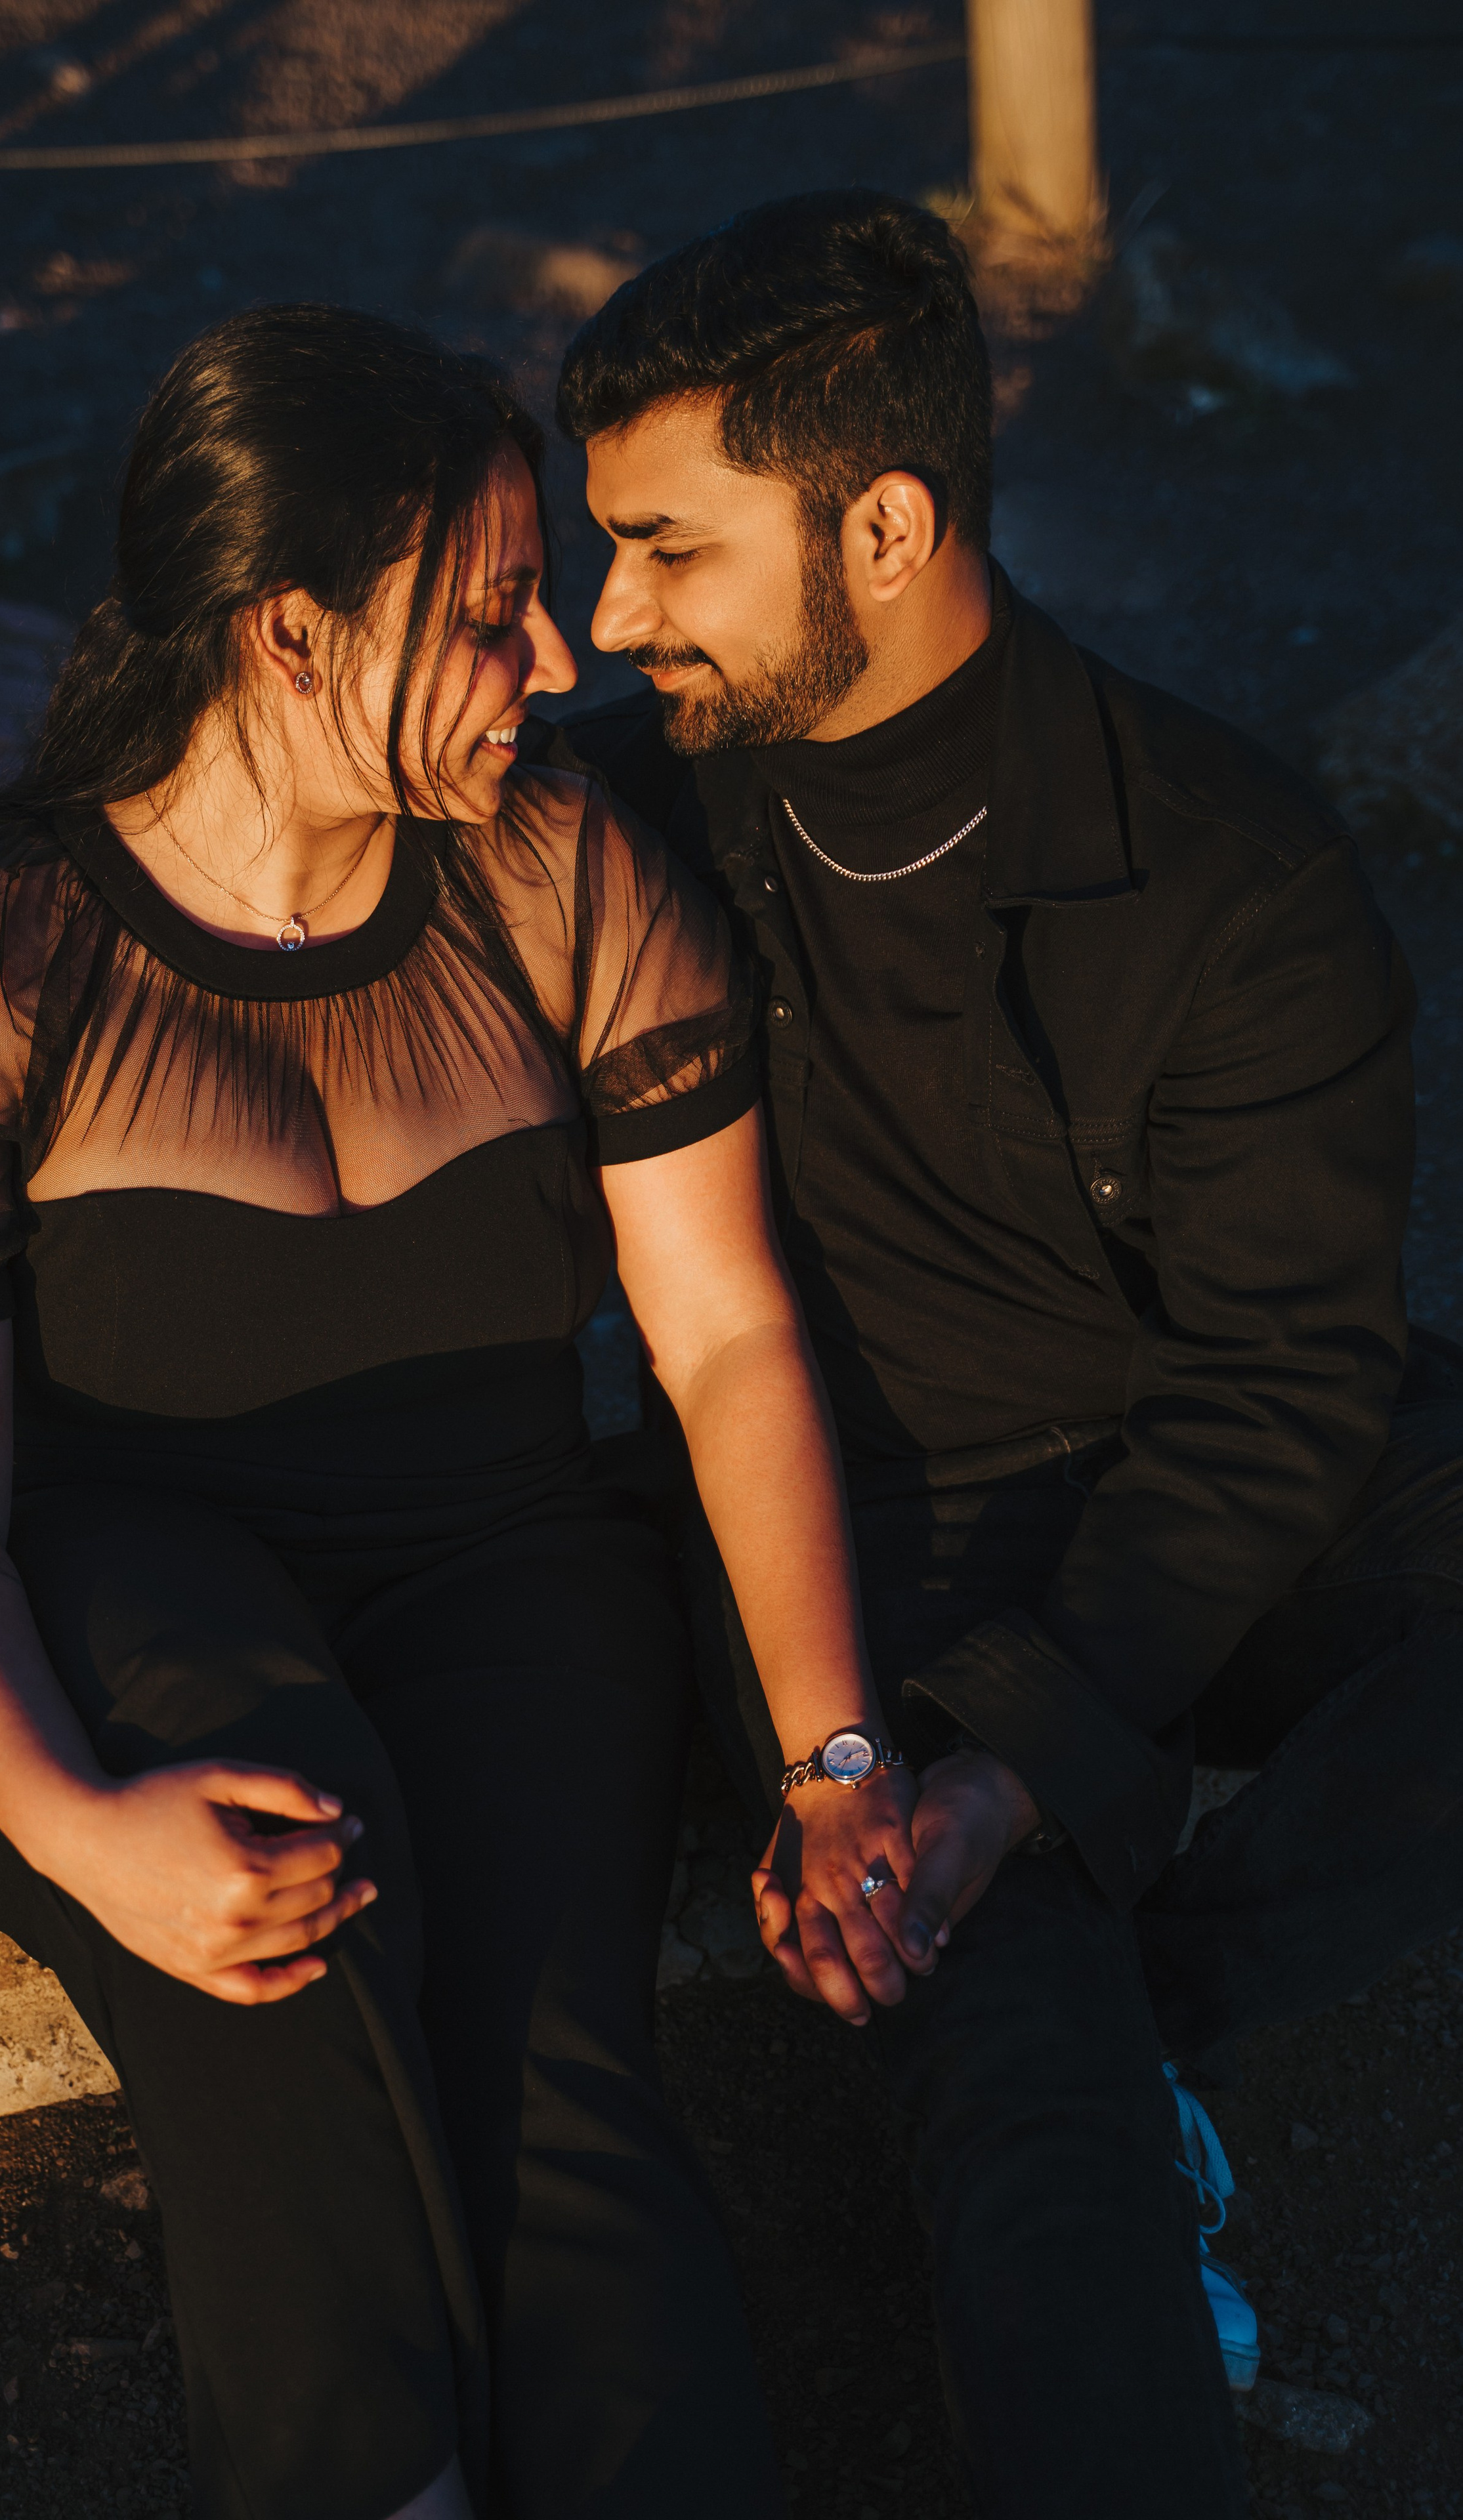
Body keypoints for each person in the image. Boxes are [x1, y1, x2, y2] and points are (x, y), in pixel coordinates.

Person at [0, 304, 916, 2520]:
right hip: (98, 1587)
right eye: (488, 611)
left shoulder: (563, 873)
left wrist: (838, 1754)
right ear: (295, 634)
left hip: (505, 1557)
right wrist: (83, 1836)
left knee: (566, 2094)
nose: (556, 656)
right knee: (274, 1934)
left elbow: (726, 1341)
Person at [526, 192, 1463, 2519]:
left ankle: (1168, 2003)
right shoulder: (621, 819)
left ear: (891, 522)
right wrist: (931, 1775)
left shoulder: (1232, 874)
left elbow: (1276, 1391)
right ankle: (1076, 2054)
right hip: (859, 1532)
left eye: (665, 551)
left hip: (1197, 1481)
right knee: (1010, 2093)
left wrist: (1033, 1762)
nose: (605, 615)